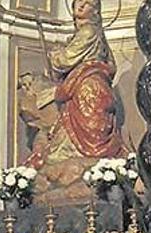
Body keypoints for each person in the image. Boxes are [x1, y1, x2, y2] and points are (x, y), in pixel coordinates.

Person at [25, 0, 127, 170]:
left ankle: (87, 157)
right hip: (87, 87)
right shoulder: (93, 34)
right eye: (78, 2)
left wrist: (55, 56)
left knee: (90, 124)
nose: (80, 6)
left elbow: (65, 60)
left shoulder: (88, 31)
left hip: (85, 88)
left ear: (95, 10)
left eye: (86, 3)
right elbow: (110, 64)